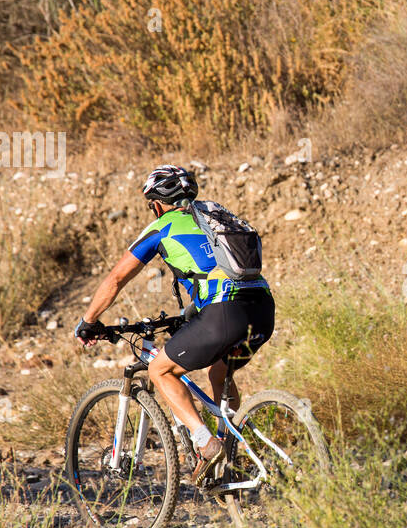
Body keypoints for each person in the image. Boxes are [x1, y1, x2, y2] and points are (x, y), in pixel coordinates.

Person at [73, 164, 274, 484]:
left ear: (156, 203)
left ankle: (208, 444)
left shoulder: (162, 226)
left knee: (160, 370)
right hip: (262, 308)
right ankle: (232, 455)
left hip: (224, 311)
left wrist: (89, 321)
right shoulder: (213, 215)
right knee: (219, 372)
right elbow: (216, 266)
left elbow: (116, 278)